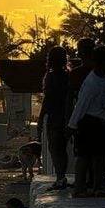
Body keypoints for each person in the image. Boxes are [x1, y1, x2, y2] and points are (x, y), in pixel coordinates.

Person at [67, 44, 105, 197]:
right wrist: (72, 125)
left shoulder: (103, 78)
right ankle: (79, 188)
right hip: (88, 122)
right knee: (84, 156)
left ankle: (98, 186)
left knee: (100, 156)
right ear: (103, 62)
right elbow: (81, 105)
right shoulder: (92, 83)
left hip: (100, 122)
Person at [36, 46, 69, 190]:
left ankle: (60, 177)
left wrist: (40, 118)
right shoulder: (68, 76)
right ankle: (61, 177)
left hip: (55, 116)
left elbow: (47, 99)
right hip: (65, 115)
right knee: (61, 148)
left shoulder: (51, 77)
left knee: (55, 148)